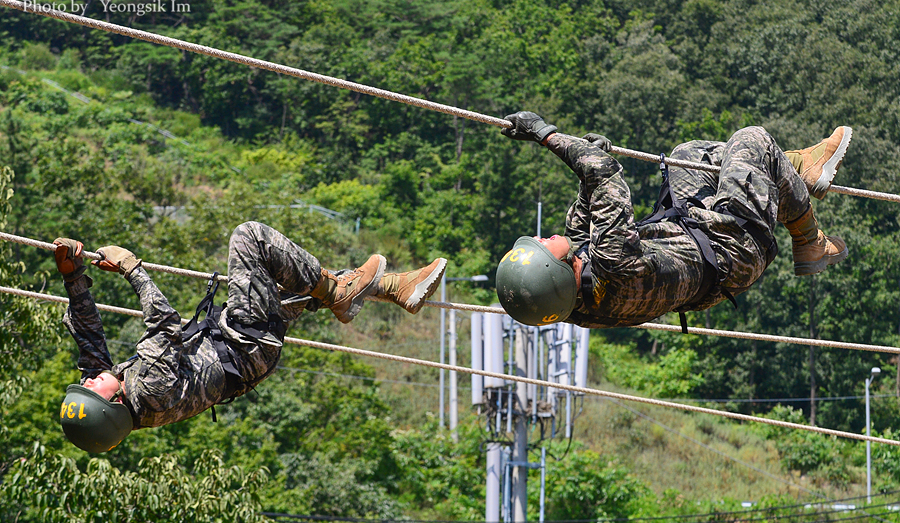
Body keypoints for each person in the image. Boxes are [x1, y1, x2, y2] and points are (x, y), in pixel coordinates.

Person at [55, 221, 447, 453]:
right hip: (245, 341)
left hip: (240, 343)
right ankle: (341, 293)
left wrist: (73, 277)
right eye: (92, 388)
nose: (89, 380)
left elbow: (90, 340)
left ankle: (396, 287)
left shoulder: (121, 391)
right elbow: (163, 324)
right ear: (116, 404)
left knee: (300, 279)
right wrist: (132, 268)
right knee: (251, 238)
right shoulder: (151, 392)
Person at [495, 111, 850, 329]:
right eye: (542, 248)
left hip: (698, 237)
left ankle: (792, 168)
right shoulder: (613, 263)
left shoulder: (571, 302)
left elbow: (586, 214)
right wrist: (547, 135)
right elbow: (604, 176)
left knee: (689, 156)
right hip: (733, 249)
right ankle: (810, 241)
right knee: (752, 140)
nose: (540, 238)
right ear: (557, 273)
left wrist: (590, 162)